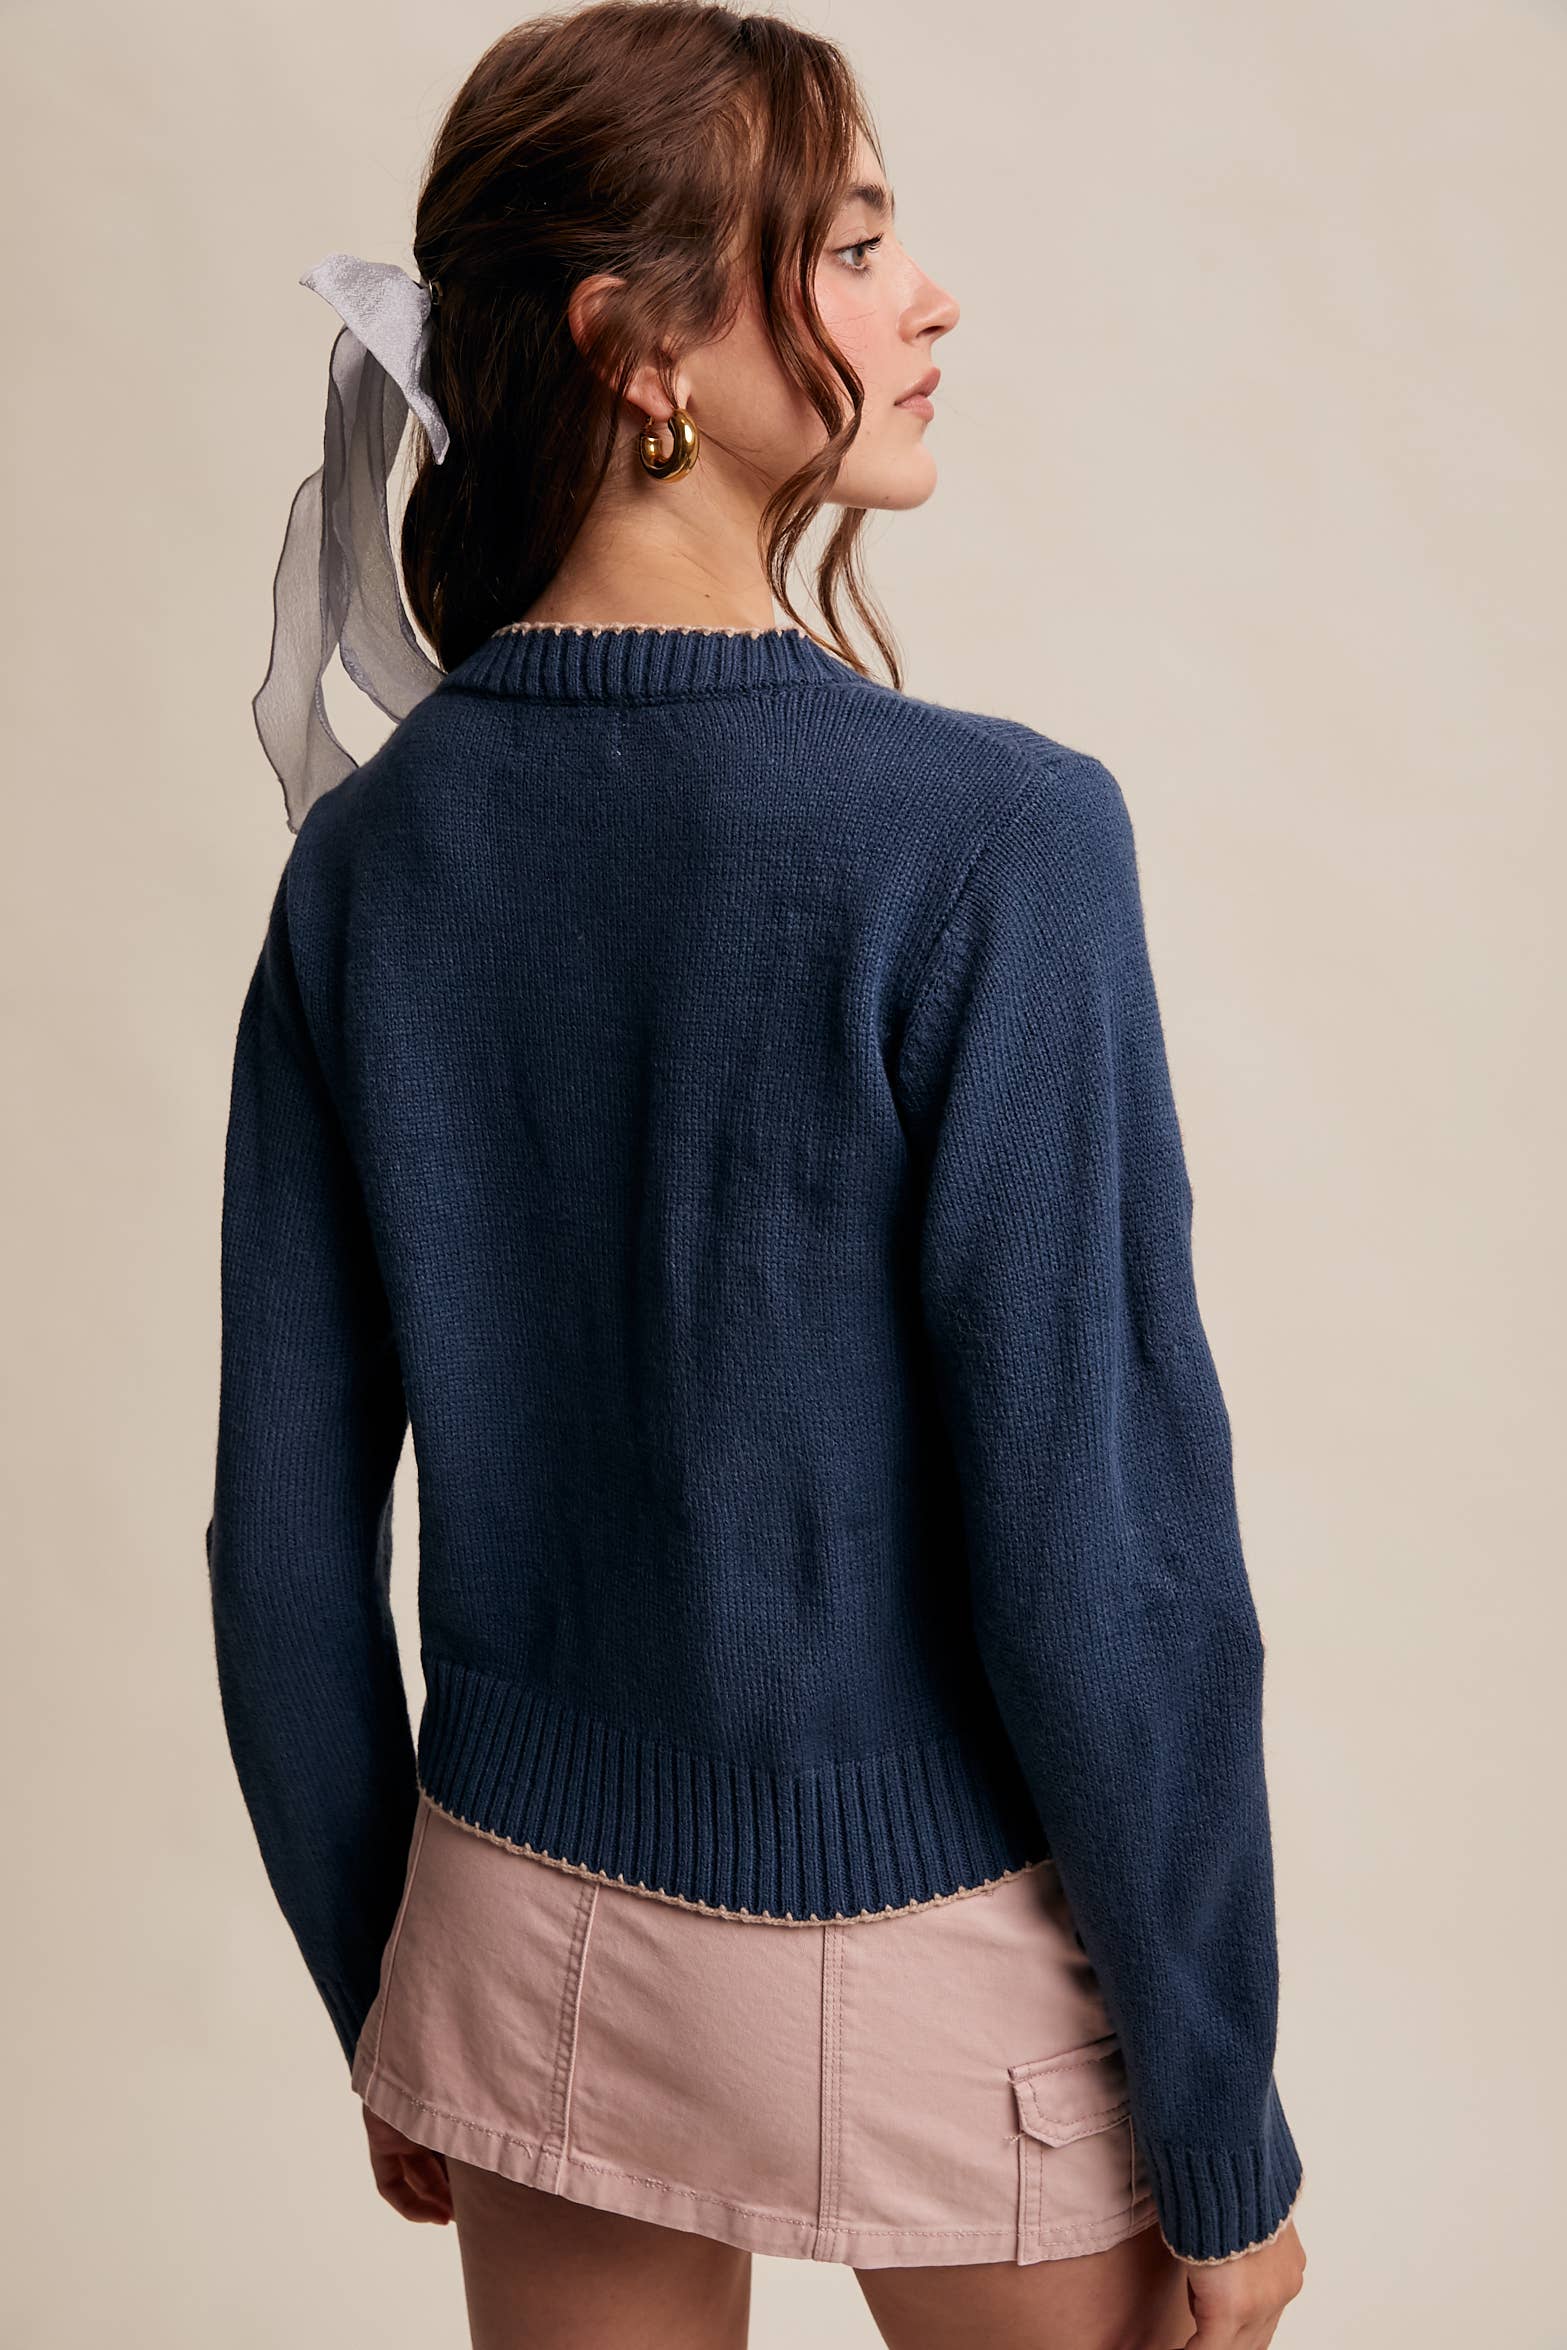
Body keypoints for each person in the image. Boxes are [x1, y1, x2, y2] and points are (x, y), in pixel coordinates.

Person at [204, 5, 1308, 2344]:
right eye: (859, 244)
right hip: (929, 1932)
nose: (930, 298)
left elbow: (278, 1537)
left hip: (518, 1922)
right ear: (639, 349)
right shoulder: (995, 839)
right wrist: (1219, 2122)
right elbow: (1104, 1548)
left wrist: (381, 1973)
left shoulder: (366, 867)